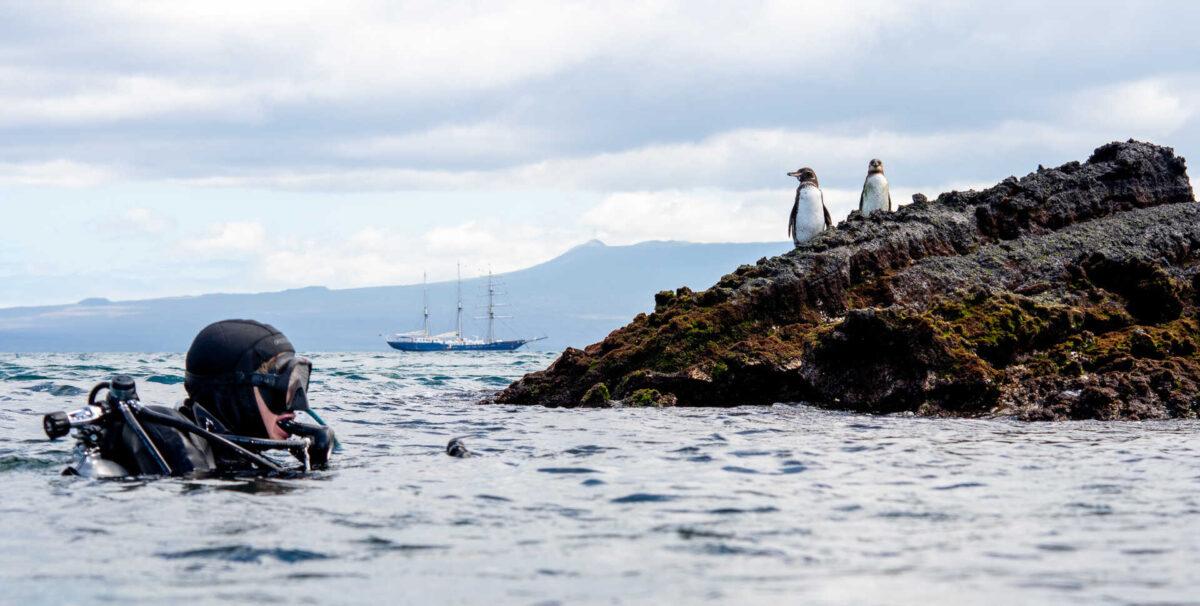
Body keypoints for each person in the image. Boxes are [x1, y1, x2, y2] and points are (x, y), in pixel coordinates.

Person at [46, 319, 335, 477]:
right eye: (281, 389)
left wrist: (315, 465)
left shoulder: (230, 451)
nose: (295, 404)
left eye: (298, 386)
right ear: (235, 396)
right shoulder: (173, 441)